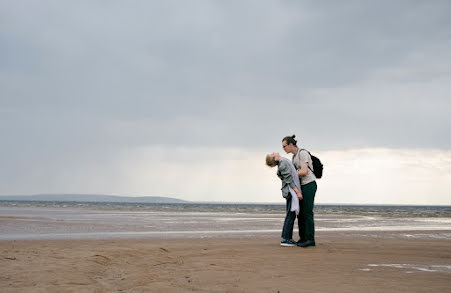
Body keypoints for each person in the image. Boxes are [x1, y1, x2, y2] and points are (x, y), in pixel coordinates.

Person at [282, 135, 317, 248]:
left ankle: (310, 239)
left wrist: (290, 174)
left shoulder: (302, 153)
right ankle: (303, 238)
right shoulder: (294, 157)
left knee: (307, 212)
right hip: (301, 186)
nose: (283, 149)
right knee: (300, 213)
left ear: (291, 144)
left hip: (309, 184)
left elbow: (304, 171)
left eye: (284, 146)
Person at [266, 152, 303, 247]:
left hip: (290, 191)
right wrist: (298, 192)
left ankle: (288, 238)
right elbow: (289, 180)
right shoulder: (282, 164)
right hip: (291, 192)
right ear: (274, 158)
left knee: (290, 215)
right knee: (290, 215)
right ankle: (285, 239)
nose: (273, 152)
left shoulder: (282, 162)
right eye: (272, 154)